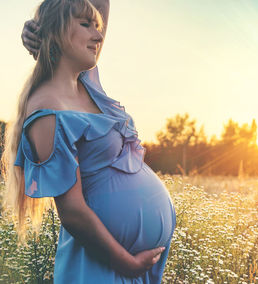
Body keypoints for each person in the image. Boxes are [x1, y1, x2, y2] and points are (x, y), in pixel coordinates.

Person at [1, 0, 176, 283]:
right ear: (55, 32)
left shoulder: (86, 84)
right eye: (85, 25)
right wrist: (128, 262)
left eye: (98, 27)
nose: (98, 35)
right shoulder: (47, 110)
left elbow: (99, 4)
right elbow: (72, 211)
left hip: (134, 266)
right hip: (103, 266)